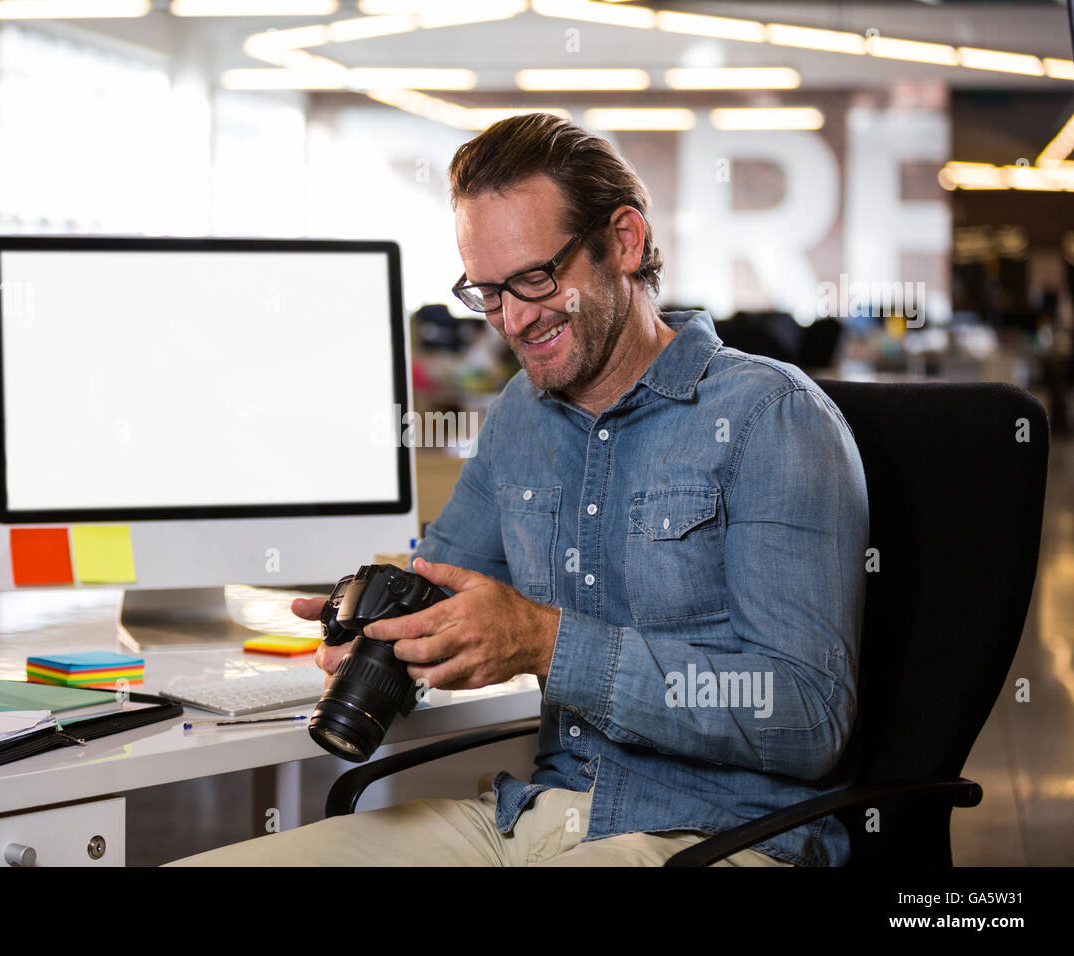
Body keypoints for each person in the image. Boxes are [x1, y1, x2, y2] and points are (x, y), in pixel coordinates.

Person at [167, 113, 869, 867]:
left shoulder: (770, 417)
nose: (514, 318)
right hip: (533, 819)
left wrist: (545, 643)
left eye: (537, 279)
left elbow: (804, 714)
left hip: (717, 835)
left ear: (624, 243)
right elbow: (438, 589)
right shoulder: (520, 416)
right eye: (488, 290)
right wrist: (376, 621)